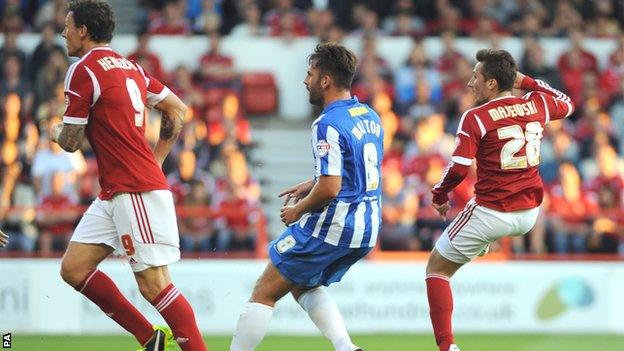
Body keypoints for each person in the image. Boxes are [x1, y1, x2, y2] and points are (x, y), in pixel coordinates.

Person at [51, 1, 207, 351]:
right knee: (74, 268)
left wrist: (55, 132)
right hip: (117, 190)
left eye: (67, 26)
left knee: (154, 284)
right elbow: (177, 109)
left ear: (83, 31)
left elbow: (72, 142)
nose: (63, 33)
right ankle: (149, 338)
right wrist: (157, 160)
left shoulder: (82, 69)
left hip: (134, 188)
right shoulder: (130, 66)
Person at [230, 43, 384, 351]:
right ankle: (346, 348)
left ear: (325, 80)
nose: (305, 80)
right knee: (302, 283)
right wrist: (312, 182)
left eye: (310, 74)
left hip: (335, 225)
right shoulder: (368, 115)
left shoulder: (326, 123)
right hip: (367, 227)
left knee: (264, 291)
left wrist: (298, 210)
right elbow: (353, 172)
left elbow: (331, 189)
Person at [426, 49, 574, 351]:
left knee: (436, 269)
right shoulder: (537, 104)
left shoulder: (476, 117)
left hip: (492, 211)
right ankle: (481, 243)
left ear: (491, 84)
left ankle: (446, 347)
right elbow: (568, 103)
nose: (470, 83)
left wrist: (439, 194)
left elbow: (459, 168)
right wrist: (528, 81)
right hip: (530, 212)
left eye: (475, 77)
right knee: (480, 232)